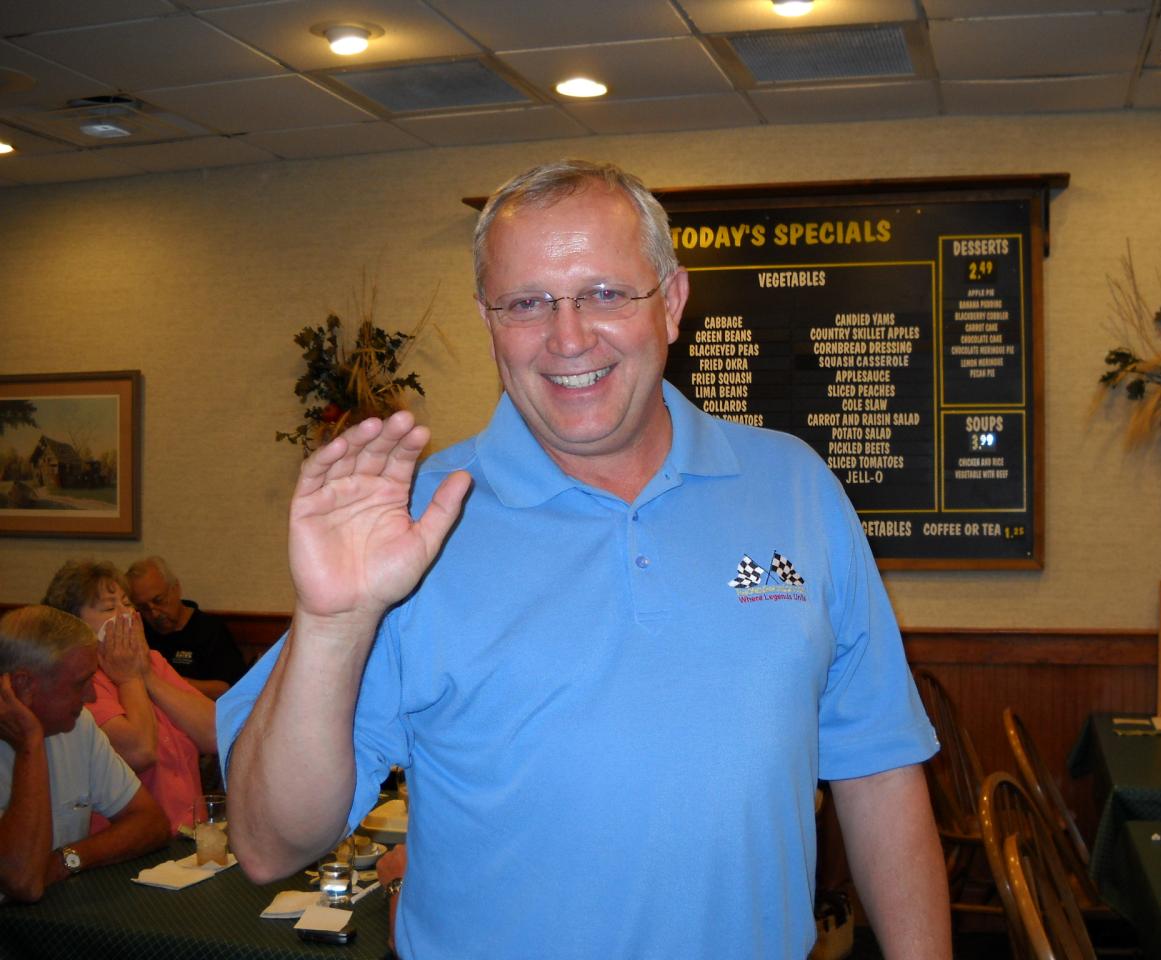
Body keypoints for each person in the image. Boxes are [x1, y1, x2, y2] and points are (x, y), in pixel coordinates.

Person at [219, 160, 950, 959]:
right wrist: (333, 623)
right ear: (489, 321)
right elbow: (268, 845)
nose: (568, 338)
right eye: (527, 303)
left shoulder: (796, 486)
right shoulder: (409, 523)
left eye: (605, 293)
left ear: (671, 302)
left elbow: (878, 769)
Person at [0, 605, 169, 902]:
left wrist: (68, 859)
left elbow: (151, 822)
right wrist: (30, 745)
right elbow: (23, 881)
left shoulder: (79, 726)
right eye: (80, 683)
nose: (92, 696)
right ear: (23, 685)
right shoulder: (42, 735)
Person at [43, 560, 217, 834]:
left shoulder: (152, 661)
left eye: (127, 604)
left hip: (188, 833)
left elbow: (216, 734)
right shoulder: (78, 682)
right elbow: (140, 752)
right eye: (110, 608)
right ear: (74, 623)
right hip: (129, 840)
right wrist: (130, 678)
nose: (127, 615)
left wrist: (147, 675)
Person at [125, 556, 246, 699]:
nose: (154, 613)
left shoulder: (210, 629)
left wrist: (167, 682)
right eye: (144, 608)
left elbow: (226, 689)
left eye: (159, 601)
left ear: (176, 588)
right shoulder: (137, 632)